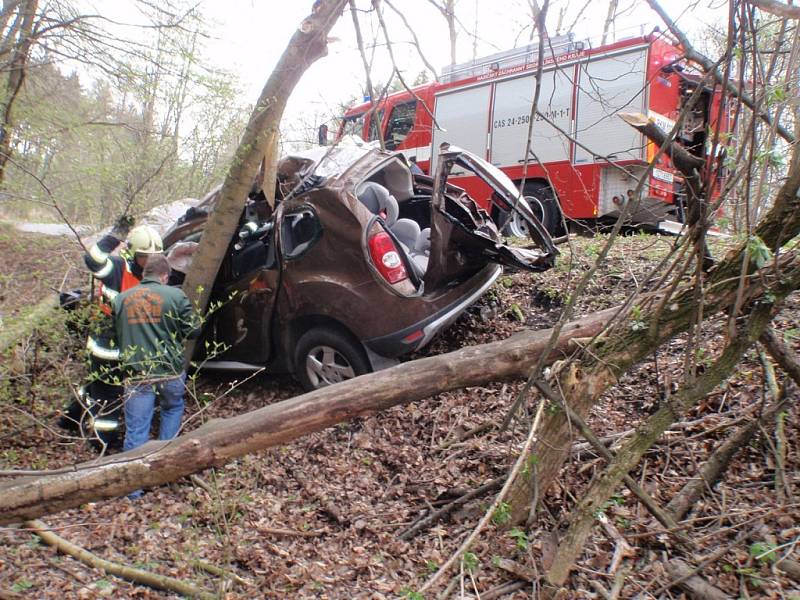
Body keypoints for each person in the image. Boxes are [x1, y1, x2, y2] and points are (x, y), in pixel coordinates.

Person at [62, 222, 164, 447]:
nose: (149, 262)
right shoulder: (117, 268)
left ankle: (69, 418)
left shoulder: (156, 277)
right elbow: (93, 261)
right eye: (144, 257)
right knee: (109, 394)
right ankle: (102, 440)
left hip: (130, 346)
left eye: (154, 257)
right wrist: (113, 237)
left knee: (96, 386)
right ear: (132, 254)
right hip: (107, 346)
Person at [112, 254, 197, 498]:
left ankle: (133, 490)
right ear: (165, 276)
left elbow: (116, 335)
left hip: (137, 374)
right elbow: (193, 331)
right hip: (169, 371)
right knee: (172, 407)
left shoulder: (121, 299)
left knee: (136, 430)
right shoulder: (176, 296)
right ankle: (165, 469)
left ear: (143, 274)